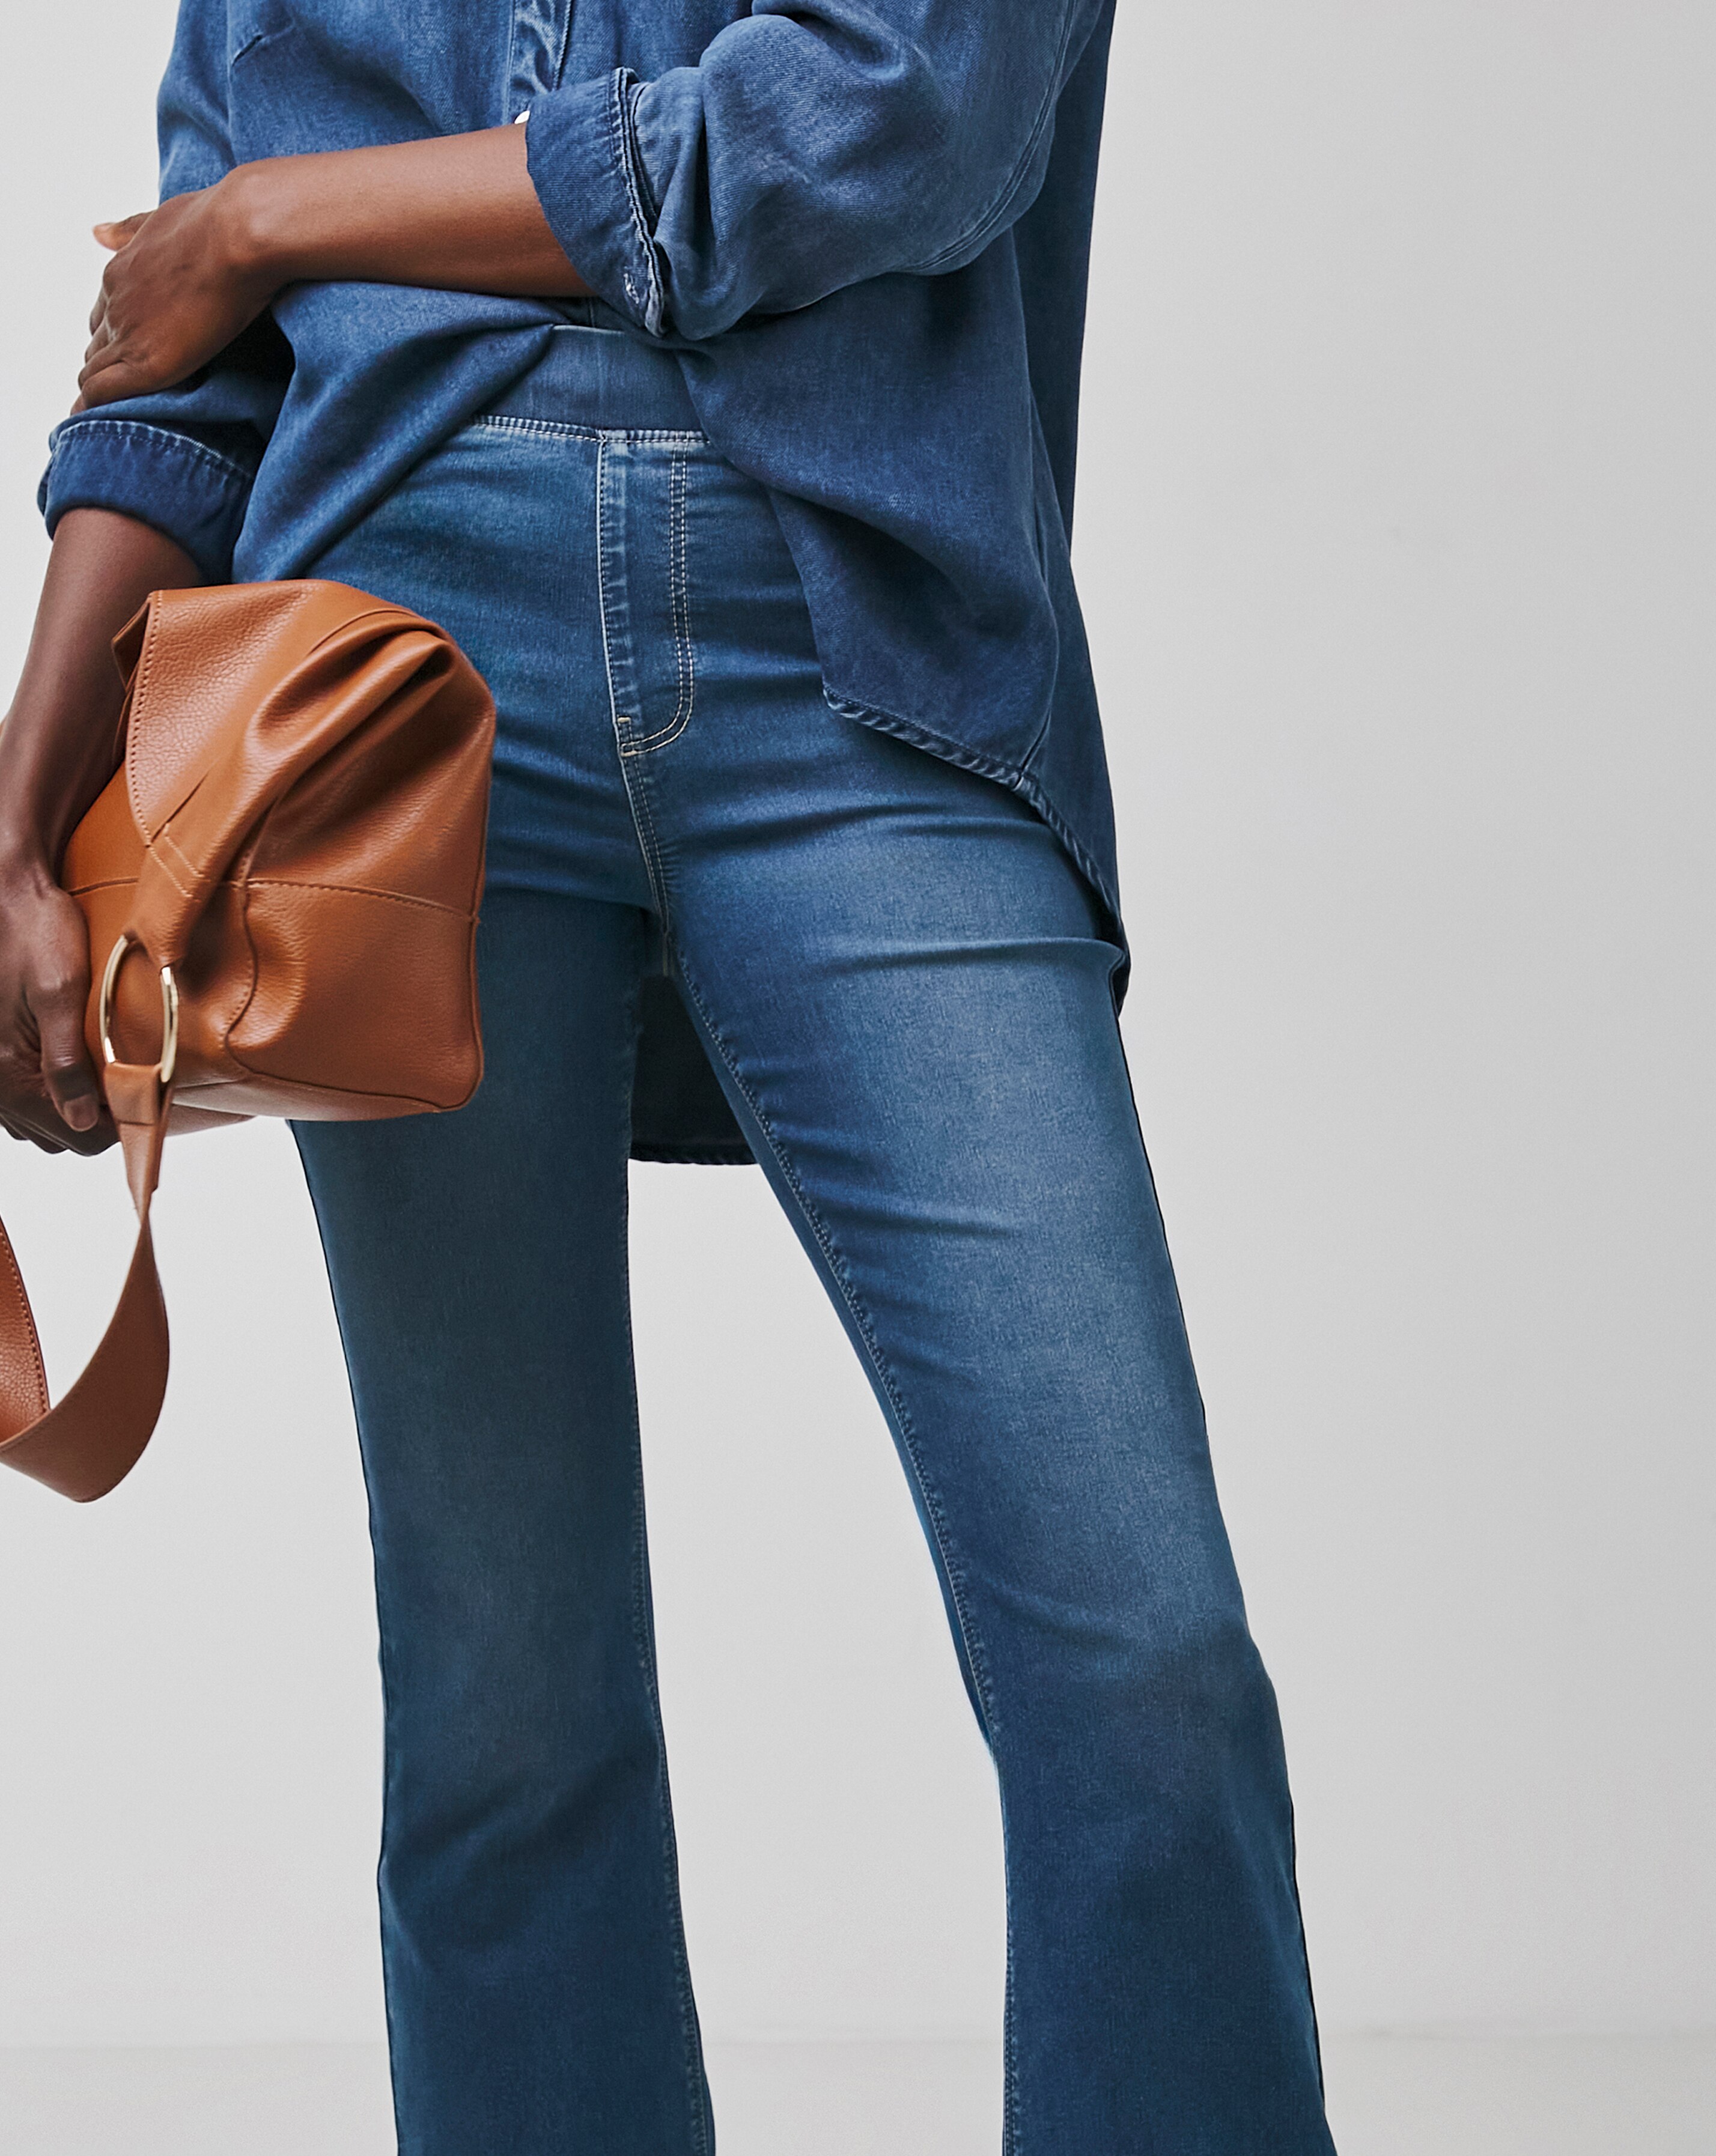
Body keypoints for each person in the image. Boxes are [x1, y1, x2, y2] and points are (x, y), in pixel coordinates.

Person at [0, 2, 1339, 2149]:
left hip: (867, 658)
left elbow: (899, 115)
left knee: (1142, 1662)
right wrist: (20, 812)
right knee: (501, 1706)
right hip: (394, 691)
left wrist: (276, 219)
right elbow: (185, 347)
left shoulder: (303, 219)